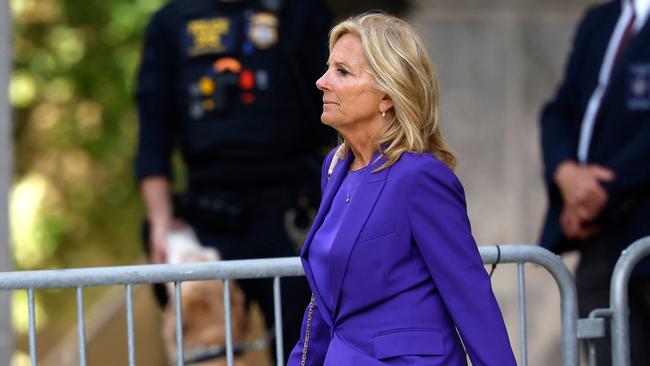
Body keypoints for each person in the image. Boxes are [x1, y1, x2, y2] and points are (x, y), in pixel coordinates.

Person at [286, 13, 517, 366]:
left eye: (342, 71)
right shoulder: (335, 167)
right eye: (327, 68)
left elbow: (470, 296)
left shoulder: (420, 177)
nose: (321, 82)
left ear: (386, 96)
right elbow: (325, 302)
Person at [133, 0, 335, 362]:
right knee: (207, 357)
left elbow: (339, 115)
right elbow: (152, 137)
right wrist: (162, 224)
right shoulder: (170, 22)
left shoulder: (300, 12)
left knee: (308, 355)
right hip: (208, 229)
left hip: (296, 222)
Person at [539, 0, 650, 364]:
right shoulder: (600, 20)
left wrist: (600, 192)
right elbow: (559, 111)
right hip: (600, 241)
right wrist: (567, 174)